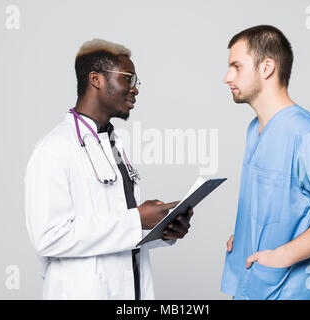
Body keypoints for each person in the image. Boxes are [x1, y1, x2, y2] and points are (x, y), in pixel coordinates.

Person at [25, 39, 193, 300]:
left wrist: (161, 230)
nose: (135, 89)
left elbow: (118, 226)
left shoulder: (113, 143)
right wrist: (136, 219)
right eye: (128, 78)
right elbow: (48, 237)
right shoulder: (53, 149)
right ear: (96, 79)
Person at [221, 25, 310, 300]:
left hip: (289, 292)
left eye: (236, 67)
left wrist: (283, 255)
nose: (227, 77)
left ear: (266, 68)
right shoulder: (255, 130)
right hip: (251, 287)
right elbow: (282, 205)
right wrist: (245, 238)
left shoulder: (306, 133)